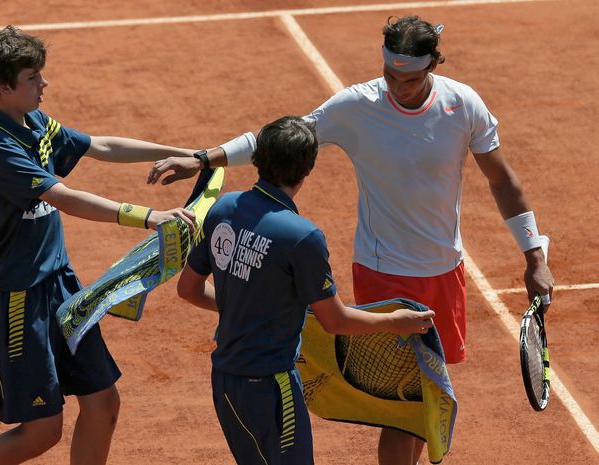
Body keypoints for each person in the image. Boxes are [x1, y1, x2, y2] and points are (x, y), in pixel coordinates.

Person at [149, 16, 555, 465]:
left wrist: (534, 254)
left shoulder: (465, 105)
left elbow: (501, 180)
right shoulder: (356, 106)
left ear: (434, 66)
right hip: (383, 273)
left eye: (411, 79)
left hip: (445, 271)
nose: (399, 88)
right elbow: (278, 136)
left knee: (426, 401)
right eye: (391, 77)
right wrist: (202, 158)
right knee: (402, 408)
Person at [0, 25, 196, 465]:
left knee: (103, 404)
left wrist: (191, 153)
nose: (43, 84)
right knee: (42, 432)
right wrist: (149, 216)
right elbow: (62, 197)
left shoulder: (34, 123)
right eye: (33, 77)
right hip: (18, 295)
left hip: (60, 285)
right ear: (4, 86)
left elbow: (99, 145)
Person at [176, 115, 436, 465]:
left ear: (258, 160)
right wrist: (394, 322)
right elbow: (334, 320)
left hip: (224, 380)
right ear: (308, 169)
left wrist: (245, 309)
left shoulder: (224, 207)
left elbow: (189, 289)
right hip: (271, 386)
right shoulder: (302, 237)